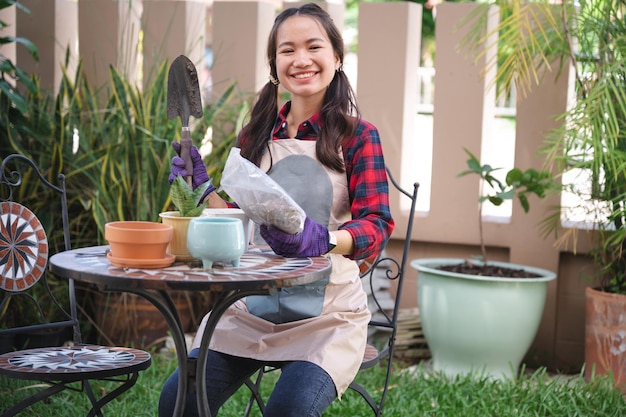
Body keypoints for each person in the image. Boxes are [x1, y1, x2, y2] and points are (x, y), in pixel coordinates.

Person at [160, 3, 394, 416]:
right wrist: (200, 190)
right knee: (177, 402)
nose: (300, 59)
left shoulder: (358, 137)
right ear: (274, 66)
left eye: (313, 46)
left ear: (336, 58)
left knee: (288, 410)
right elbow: (236, 219)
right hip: (248, 309)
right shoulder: (254, 136)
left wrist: (324, 239)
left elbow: (377, 223)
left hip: (327, 316)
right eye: (287, 50)